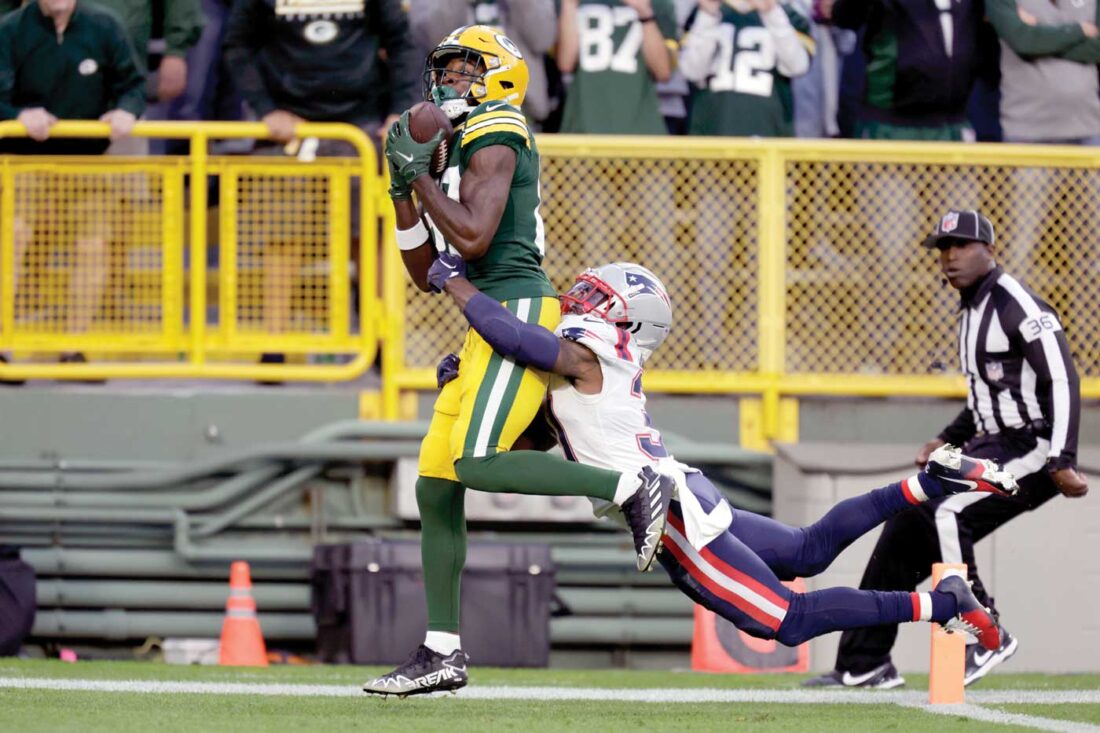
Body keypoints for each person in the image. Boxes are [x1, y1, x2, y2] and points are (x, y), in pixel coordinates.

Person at [423, 253, 1014, 679]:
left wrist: (456, 283)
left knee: (787, 620)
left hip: (669, 513)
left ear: (623, 318)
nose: (578, 299)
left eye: (595, 296)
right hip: (679, 490)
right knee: (806, 549)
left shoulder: (590, 351)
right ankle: (926, 484)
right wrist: (471, 384)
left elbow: (517, 339)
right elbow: (535, 446)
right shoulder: (584, 366)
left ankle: (944, 603)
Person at [362, 26, 677, 698]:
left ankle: (627, 486)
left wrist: (419, 176)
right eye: (445, 69)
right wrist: (400, 190)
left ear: (499, 76)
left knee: (478, 460)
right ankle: (441, 650)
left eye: (464, 70)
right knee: (436, 484)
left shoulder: (498, 125)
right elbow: (423, 271)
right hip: (484, 314)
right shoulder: (458, 141)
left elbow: (475, 236)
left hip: (517, 306)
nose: (449, 80)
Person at [805, 209, 1088, 690]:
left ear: (990, 250)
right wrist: (946, 437)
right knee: (905, 521)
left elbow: (1062, 378)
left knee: (947, 511)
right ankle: (864, 662)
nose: (950, 257)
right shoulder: (971, 311)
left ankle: (986, 633)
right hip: (995, 442)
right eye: (943, 248)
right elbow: (985, 400)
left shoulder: (1016, 304)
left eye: (961, 246)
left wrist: (1062, 457)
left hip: (1033, 446)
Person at [222, 0, 420, 365]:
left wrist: (399, 109)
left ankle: (380, 344)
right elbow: (237, 45)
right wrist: (266, 109)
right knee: (282, 234)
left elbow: (402, 43)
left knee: (371, 234)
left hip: (362, 124)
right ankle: (274, 344)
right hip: (290, 128)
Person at [0, 0, 145, 371]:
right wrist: (19, 115)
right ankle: (4, 342)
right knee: (12, 234)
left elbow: (133, 85)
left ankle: (74, 345)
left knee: (94, 244)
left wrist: (127, 110)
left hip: (87, 160)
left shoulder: (106, 26)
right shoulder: (10, 30)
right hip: (22, 160)